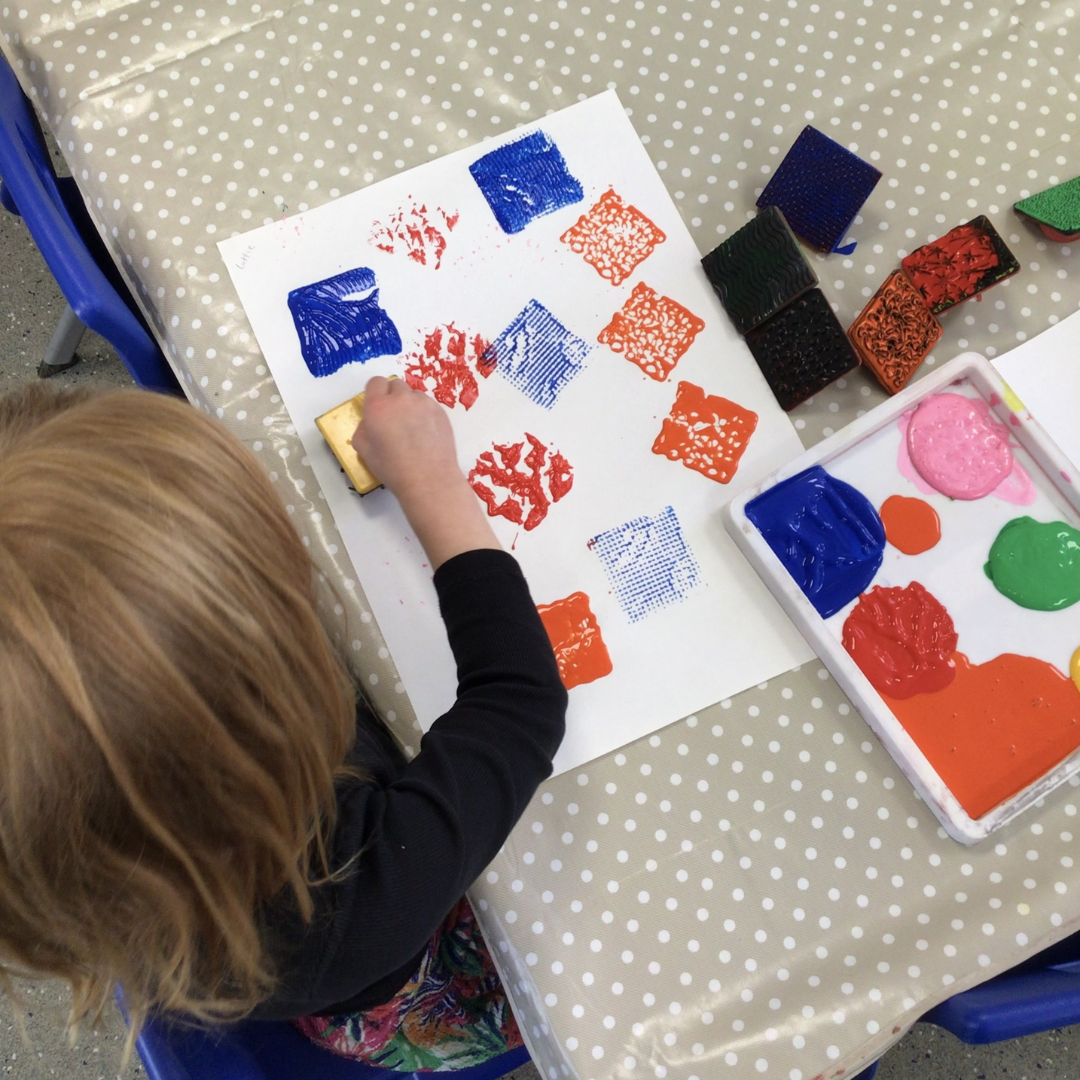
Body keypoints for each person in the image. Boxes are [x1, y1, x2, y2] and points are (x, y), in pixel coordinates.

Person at [0, 376, 567, 1069]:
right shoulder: (343, 901)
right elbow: (520, 701)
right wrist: (432, 482)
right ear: (260, 700)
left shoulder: (94, 843)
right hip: (433, 978)